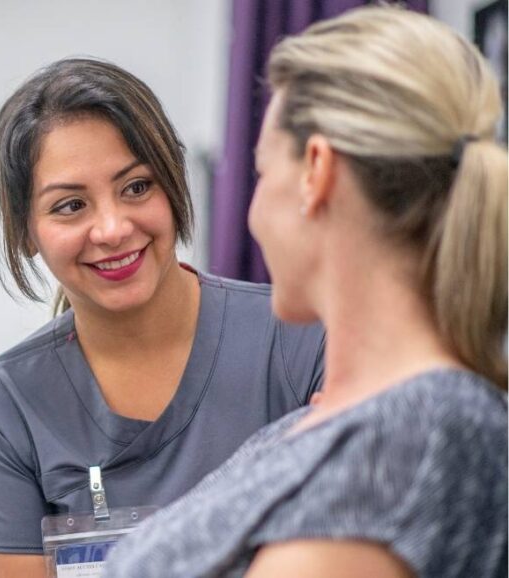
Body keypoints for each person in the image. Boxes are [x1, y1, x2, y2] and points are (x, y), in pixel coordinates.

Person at [103, 6, 508, 578]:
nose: (253, 214)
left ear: (316, 171)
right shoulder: (329, 427)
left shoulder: (411, 435)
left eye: (263, 173)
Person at [0, 58, 325, 577]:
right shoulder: (3, 408)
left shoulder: (299, 341)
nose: (112, 228)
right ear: (25, 232)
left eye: (137, 187)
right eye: (70, 205)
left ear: (172, 185)